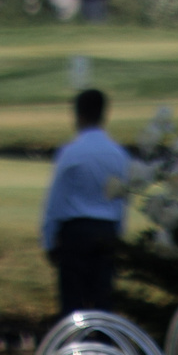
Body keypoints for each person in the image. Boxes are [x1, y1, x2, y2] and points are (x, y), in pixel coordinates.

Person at [40, 87, 133, 315]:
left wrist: (49, 240)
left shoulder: (70, 153)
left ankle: (76, 349)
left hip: (75, 233)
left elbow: (56, 201)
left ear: (78, 115)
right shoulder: (118, 154)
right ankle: (104, 348)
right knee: (104, 303)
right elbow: (122, 200)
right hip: (106, 231)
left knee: (73, 306)